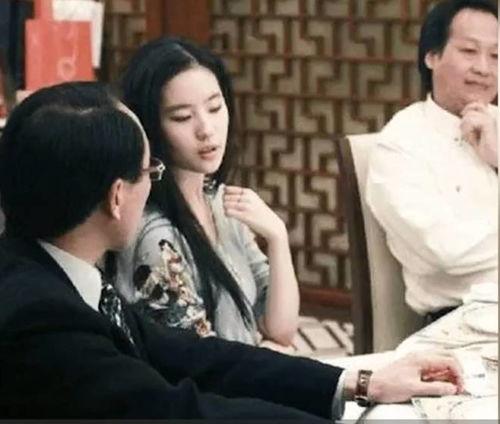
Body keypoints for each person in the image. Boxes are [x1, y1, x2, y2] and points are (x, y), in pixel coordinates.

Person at [0, 82, 463, 419]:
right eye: (148, 172)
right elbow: (180, 412)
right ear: (116, 196)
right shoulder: (40, 318)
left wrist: (361, 383)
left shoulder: (58, 268)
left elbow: (194, 357)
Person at [115, 37, 299, 347]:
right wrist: (273, 354)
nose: (206, 129)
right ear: (150, 127)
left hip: (247, 370)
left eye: (215, 108)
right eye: (182, 117)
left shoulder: (219, 200)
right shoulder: (156, 237)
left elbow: (281, 329)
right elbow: (201, 362)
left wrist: (278, 238)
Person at [366, 0, 498, 321]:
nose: (484, 68)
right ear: (431, 56)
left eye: (496, 55)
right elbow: (446, 251)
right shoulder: (401, 144)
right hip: (463, 320)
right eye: (469, 51)